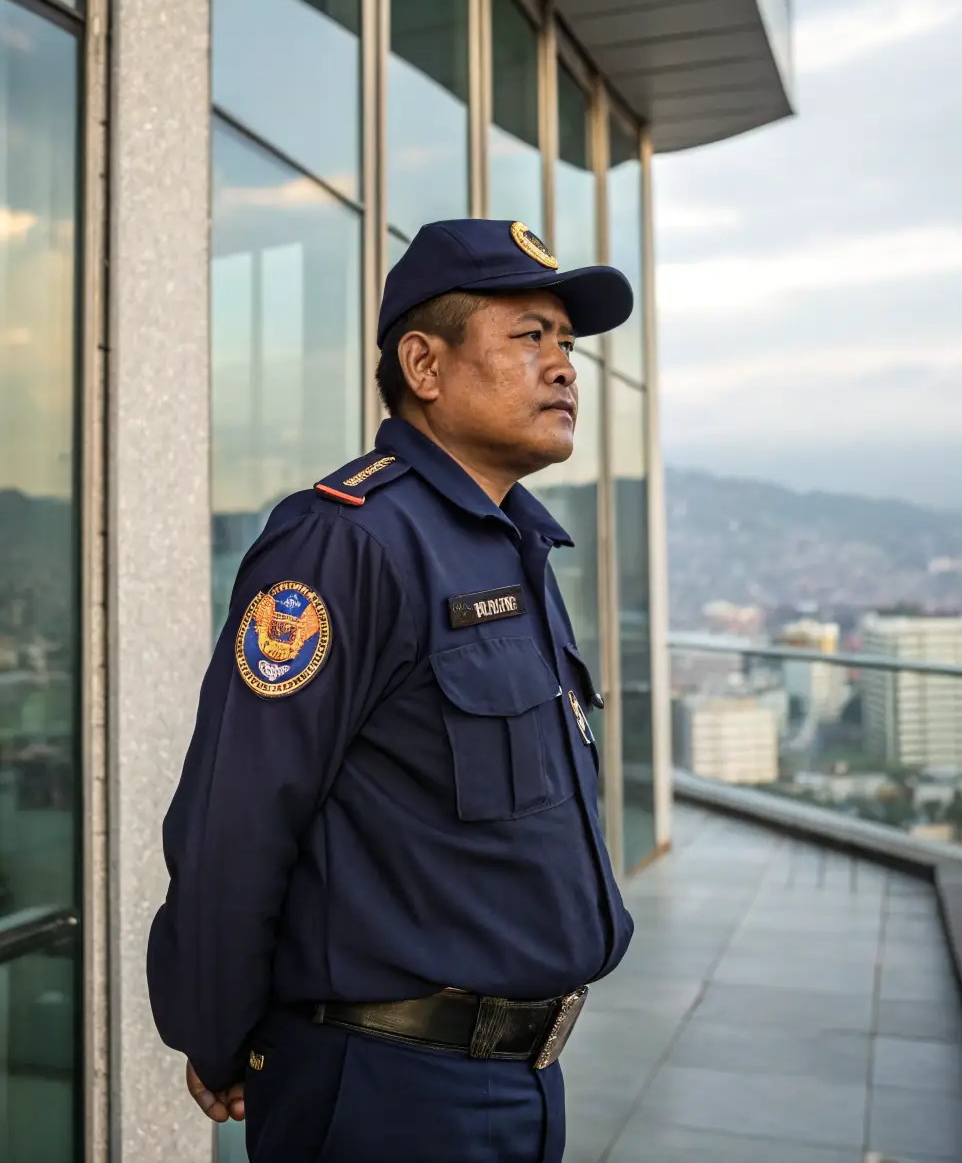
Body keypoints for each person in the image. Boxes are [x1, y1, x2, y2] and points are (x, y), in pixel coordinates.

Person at [148, 219, 636, 1163]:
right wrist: (220, 1031)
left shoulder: (514, 545)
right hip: (390, 1090)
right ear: (424, 363)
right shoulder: (347, 543)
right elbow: (237, 814)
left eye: (568, 345)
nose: (565, 367)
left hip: (521, 1079)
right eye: (529, 336)